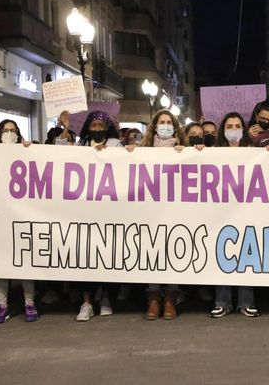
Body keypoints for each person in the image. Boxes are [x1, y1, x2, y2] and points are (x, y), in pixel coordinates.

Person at [127, 110, 186, 320]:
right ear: (154, 126)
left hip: (175, 211)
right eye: (161, 122)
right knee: (153, 253)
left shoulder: (183, 149)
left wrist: (189, 152)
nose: (165, 125)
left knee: (173, 253)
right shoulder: (143, 150)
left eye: (169, 122)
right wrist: (127, 153)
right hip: (150, 212)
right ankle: (153, 299)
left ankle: (170, 298)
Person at [208, 112, 261, 318]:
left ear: (243, 128)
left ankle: (246, 302)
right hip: (221, 212)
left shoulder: (253, 152)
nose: (233, 130)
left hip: (246, 210)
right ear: (223, 130)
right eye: (229, 126)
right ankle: (222, 301)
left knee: (245, 255)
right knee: (223, 255)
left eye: (237, 125)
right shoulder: (213, 152)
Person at [74, 111, 123, 322]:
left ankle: (105, 298)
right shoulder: (80, 146)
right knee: (87, 259)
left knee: (107, 256)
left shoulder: (115, 145)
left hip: (110, 210)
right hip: (85, 211)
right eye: (92, 126)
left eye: (99, 125)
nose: (96, 129)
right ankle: (87, 302)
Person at [0, 120, 38, 323]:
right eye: (5, 130)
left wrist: (30, 150)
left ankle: (29, 303)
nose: (9, 133)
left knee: (24, 261)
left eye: (13, 130)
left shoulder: (24, 151)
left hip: (20, 214)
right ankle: (2, 305)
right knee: (2, 263)